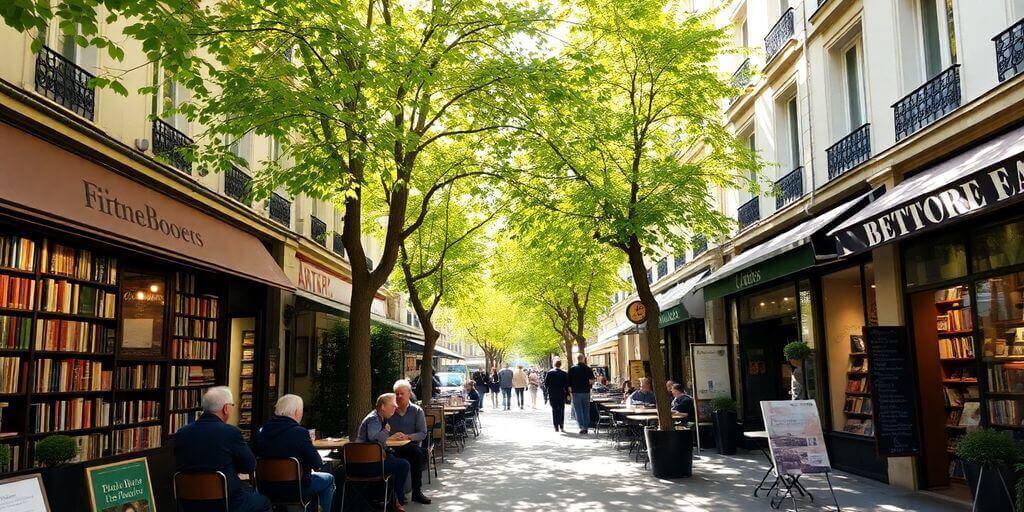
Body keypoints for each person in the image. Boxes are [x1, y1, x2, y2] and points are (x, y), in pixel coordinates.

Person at [175, 386, 271, 512]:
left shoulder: (182, 433)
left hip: (188, 501)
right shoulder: (230, 432)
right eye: (231, 405)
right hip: (226, 501)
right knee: (263, 502)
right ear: (226, 408)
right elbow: (250, 465)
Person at [254, 394, 334, 512]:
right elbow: (317, 464)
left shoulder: (261, 432)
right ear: (297, 412)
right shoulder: (299, 432)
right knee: (328, 479)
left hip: (265, 488)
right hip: (295, 489)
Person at [356, 393, 412, 512]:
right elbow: (374, 439)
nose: (395, 407)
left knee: (396, 460)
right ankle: (397, 501)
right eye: (392, 405)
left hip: (368, 461)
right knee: (403, 465)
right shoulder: (374, 419)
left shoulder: (379, 417)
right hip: (369, 464)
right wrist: (386, 431)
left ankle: (392, 499)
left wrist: (390, 435)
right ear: (382, 406)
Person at [387, 380, 432, 505]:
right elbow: (382, 431)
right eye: (397, 393)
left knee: (415, 452)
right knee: (417, 453)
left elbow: (423, 433)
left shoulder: (417, 411)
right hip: (391, 447)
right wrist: (392, 436)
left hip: (410, 445)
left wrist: (408, 437)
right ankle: (396, 494)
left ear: (409, 394)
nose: (399, 396)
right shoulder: (389, 410)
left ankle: (416, 492)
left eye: (402, 393)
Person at [567, 354, 595, 434]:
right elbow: (592, 381)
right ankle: (586, 427)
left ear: (577, 359)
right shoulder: (588, 369)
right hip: (586, 392)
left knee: (578, 410)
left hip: (576, 392)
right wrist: (588, 383)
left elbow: (568, 382)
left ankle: (582, 426)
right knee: (586, 410)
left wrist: (570, 392)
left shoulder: (572, 369)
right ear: (583, 359)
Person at [544, 360, 570, 431]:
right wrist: (568, 394)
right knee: (561, 409)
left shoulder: (549, 373)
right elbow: (566, 385)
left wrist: (546, 394)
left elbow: (546, 384)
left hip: (552, 394)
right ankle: (561, 425)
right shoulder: (564, 373)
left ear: (554, 364)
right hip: (561, 393)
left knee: (554, 409)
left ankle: (556, 426)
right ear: (560, 365)